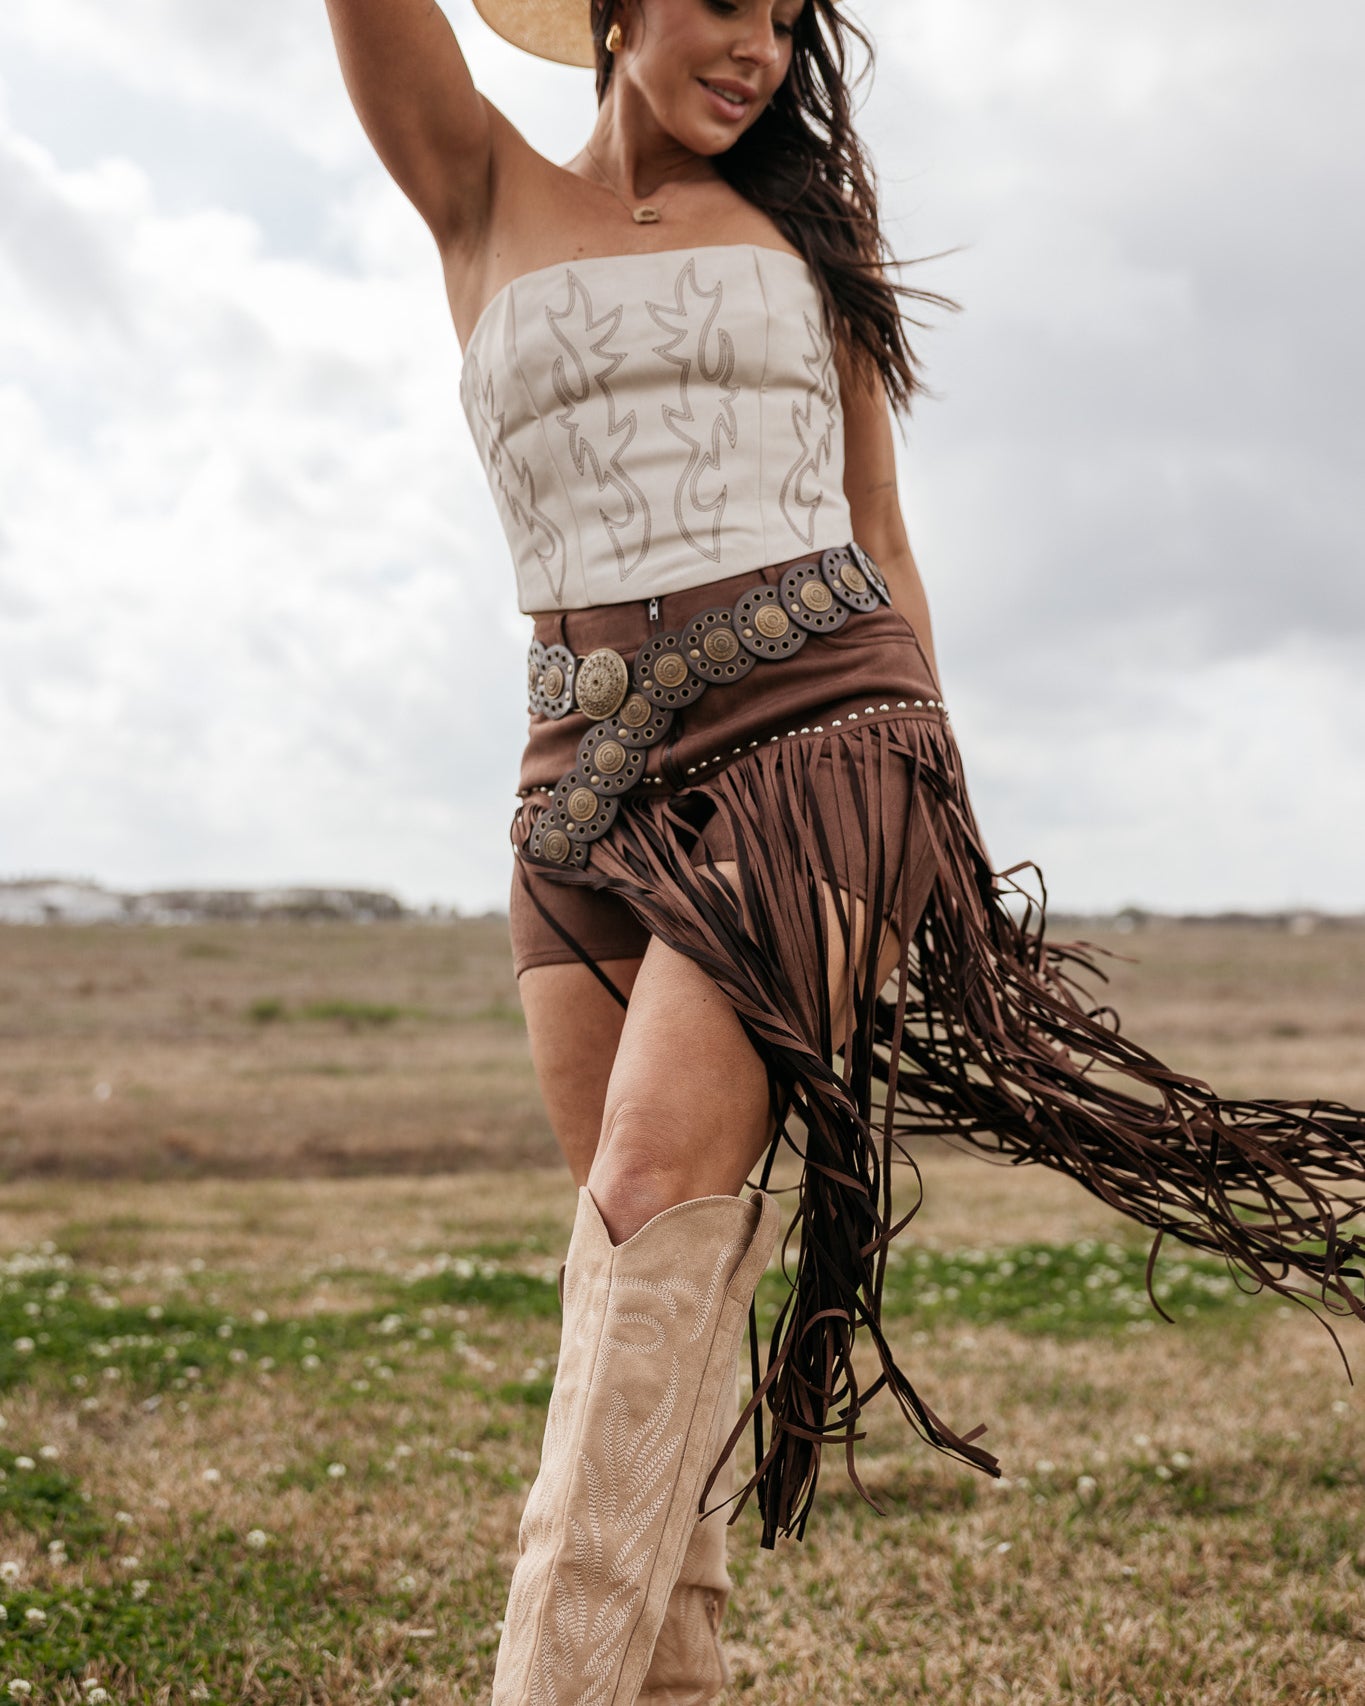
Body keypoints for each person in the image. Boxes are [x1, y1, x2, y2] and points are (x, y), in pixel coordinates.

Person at [322, 1, 1365, 1698]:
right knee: (644, 1281)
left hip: (824, 739)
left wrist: (927, 807)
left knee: (656, 1193)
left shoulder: (812, 233)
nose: (757, 45)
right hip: (576, 786)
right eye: (724, 0)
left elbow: (880, 534)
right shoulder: (479, 188)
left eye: (787, 17)